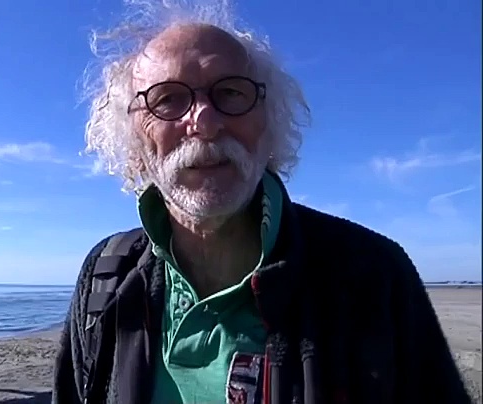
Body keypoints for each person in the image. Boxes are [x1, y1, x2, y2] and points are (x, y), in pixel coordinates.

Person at [52, 2, 472, 404]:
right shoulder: (105, 277)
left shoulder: (373, 277)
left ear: (269, 125)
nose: (205, 122)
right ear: (134, 142)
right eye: (167, 99)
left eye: (231, 93)